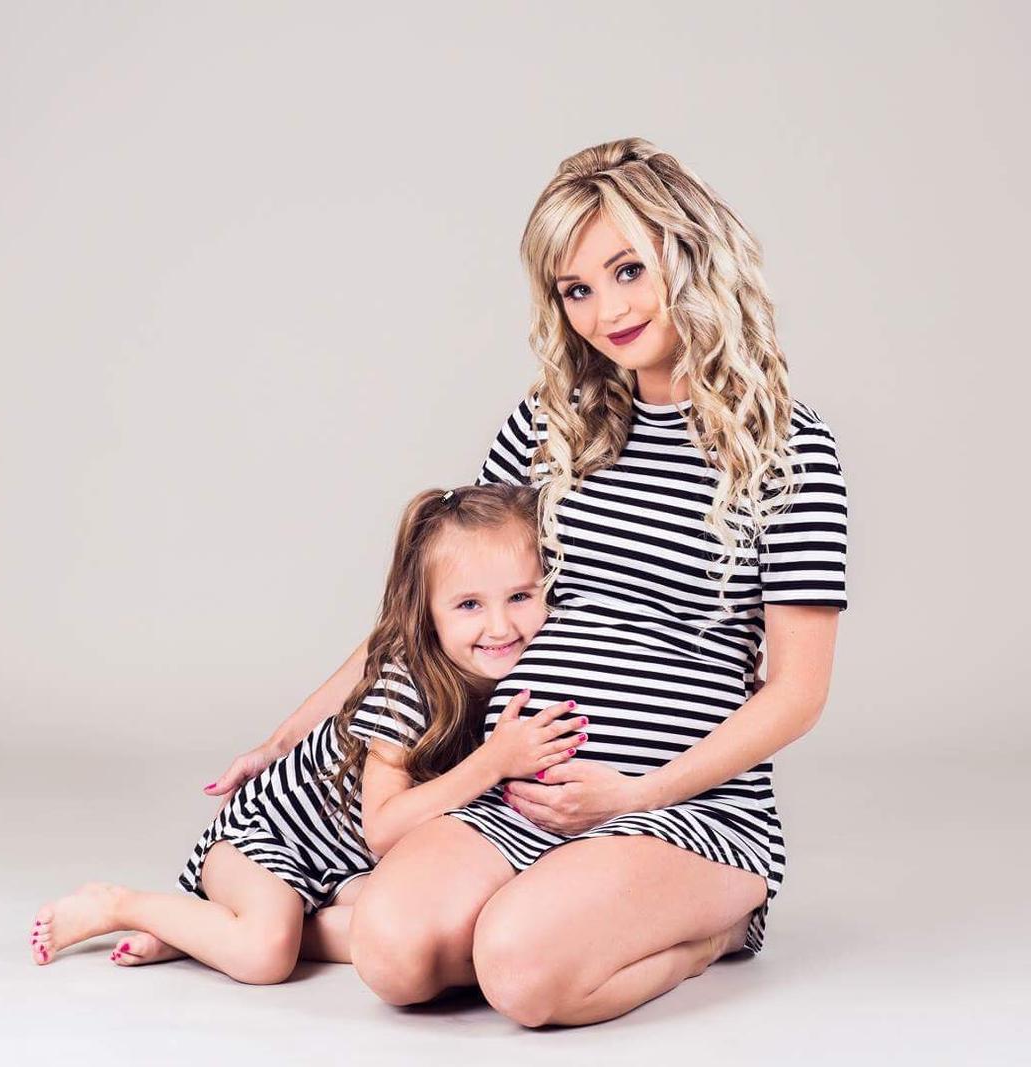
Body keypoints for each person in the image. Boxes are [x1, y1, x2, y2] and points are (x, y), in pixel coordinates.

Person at [341, 137, 851, 1026]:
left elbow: (798, 692)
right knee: (389, 954)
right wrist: (290, 729)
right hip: (520, 795)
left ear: (690, 256)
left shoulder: (788, 450)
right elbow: (441, 606)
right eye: (575, 289)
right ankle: (559, 911)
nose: (606, 310)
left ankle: (716, 926)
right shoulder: (550, 426)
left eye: (627, 271)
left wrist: (637, 793)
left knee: (519, 971)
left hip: (684, 806)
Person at [28, 483, 588, 984]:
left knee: (422, 932)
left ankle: (202, 932)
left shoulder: (532, 668)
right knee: (264, 955)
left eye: (520, 597)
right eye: (469, 605)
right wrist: (493, 762)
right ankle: (121, 904)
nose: (500, 626)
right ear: (427, 614)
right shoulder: (407, 687)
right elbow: (383, 829)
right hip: (270, 838)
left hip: (347, 870)